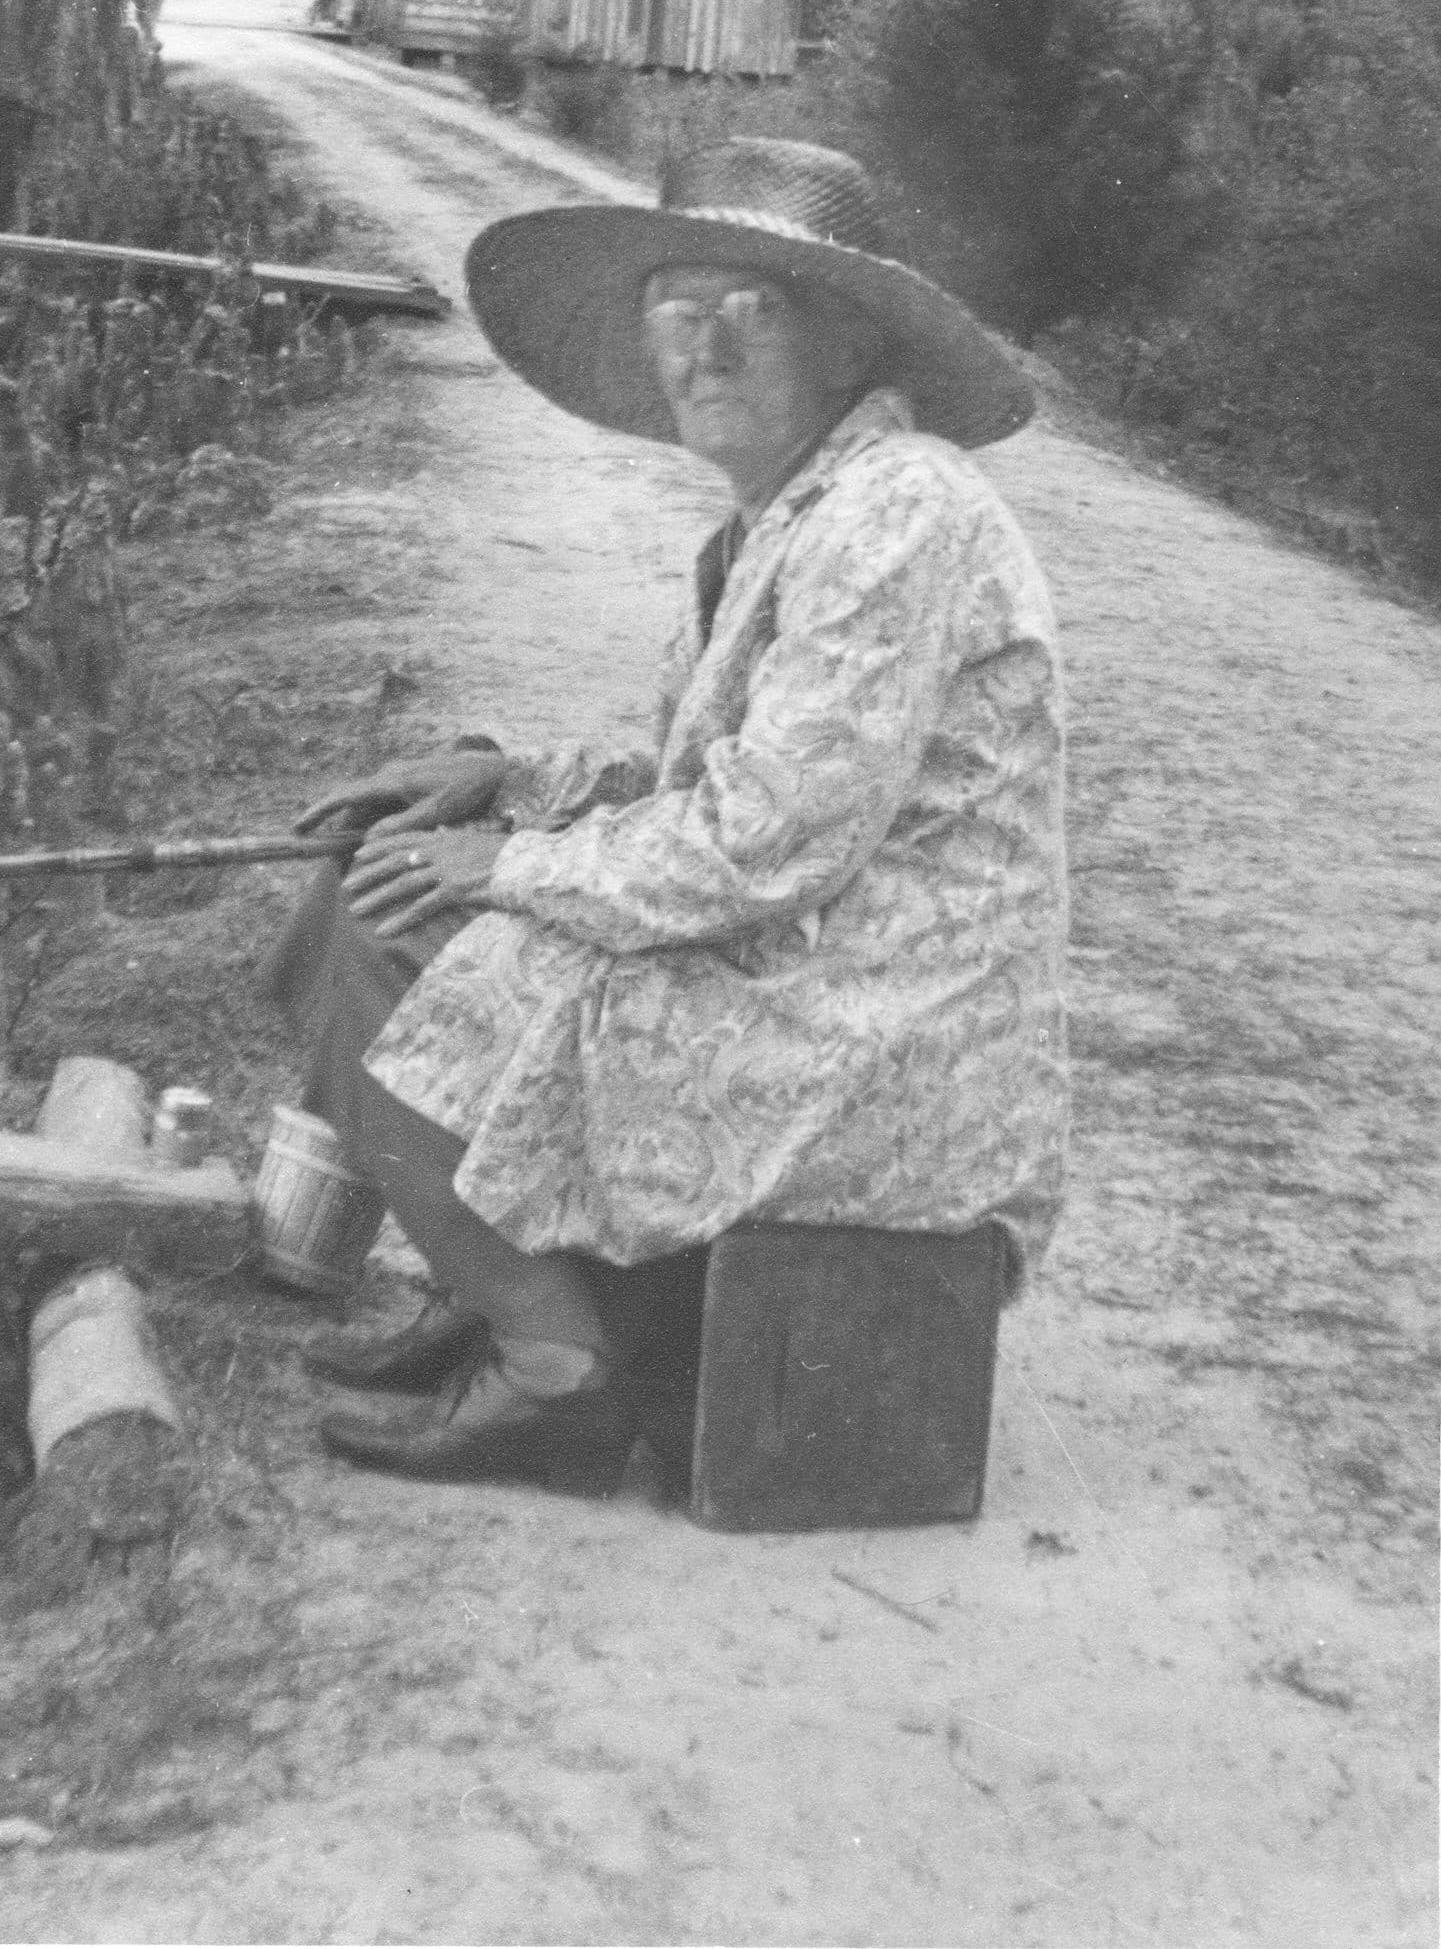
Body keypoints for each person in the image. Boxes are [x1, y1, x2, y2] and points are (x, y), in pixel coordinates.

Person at [263, 136, 1069, 1494]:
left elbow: (765, 836)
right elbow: (699, 777)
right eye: (676, 312)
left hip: (877, 1019)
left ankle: (553, 1364)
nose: (705, 349)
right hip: (810, 954)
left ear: (844, 337)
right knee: (386, 876)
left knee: (377, 925)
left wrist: (509, 863)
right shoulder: (795, 510)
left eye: (752, 309)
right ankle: (500, 1288)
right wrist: (503, 780)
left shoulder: (897, 511)